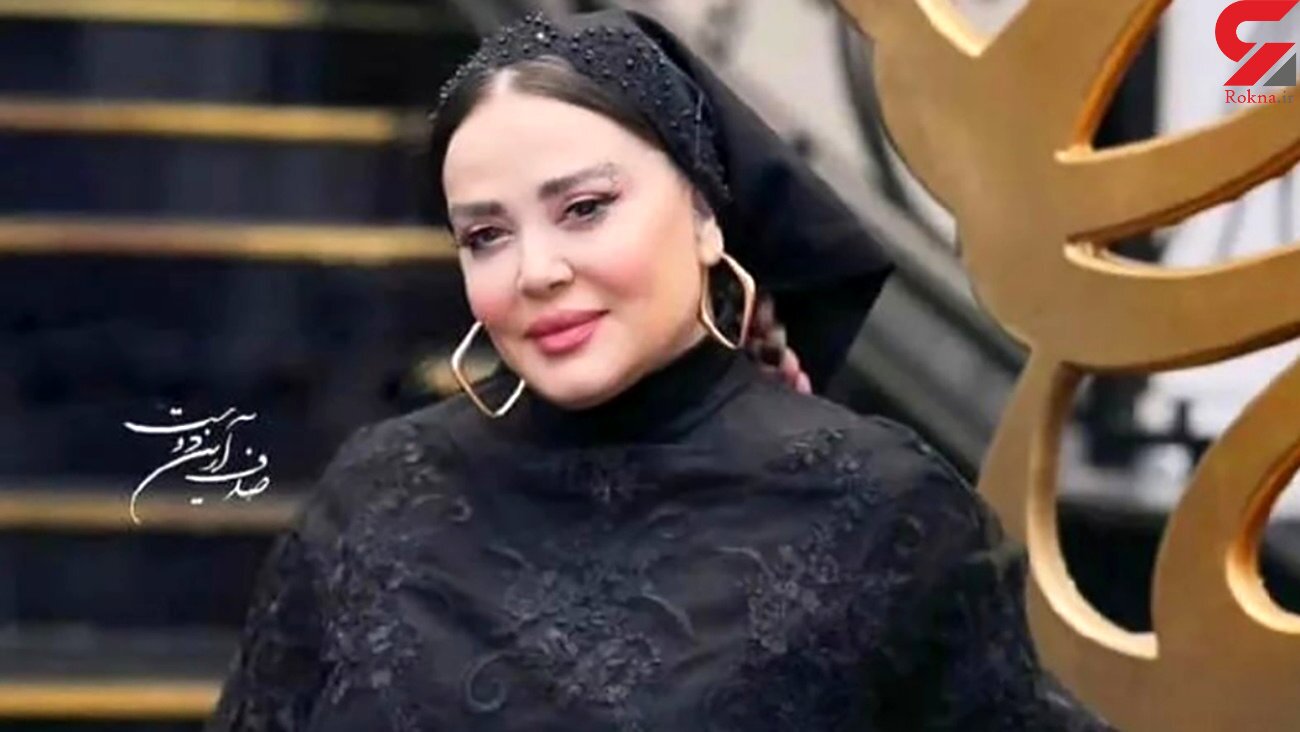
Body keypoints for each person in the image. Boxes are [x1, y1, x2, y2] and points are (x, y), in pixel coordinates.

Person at [205, 8, 1115, 731]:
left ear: (706, 216)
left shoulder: (880, 511)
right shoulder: (374, 498)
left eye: (585, 208)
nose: (536, 270)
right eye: (485, 235)